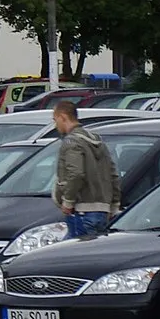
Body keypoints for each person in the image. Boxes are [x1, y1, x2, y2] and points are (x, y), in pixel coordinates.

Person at [52, 100, 118, 239]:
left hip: (82, 211)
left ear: (63, 117)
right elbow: (113, 174)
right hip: (102, 211)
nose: (55, 124)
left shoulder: (71, 142)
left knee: (72, 255)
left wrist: (68, 200)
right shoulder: (97, 140)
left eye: (55, 119)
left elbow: (75, 174)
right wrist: (114, 204)